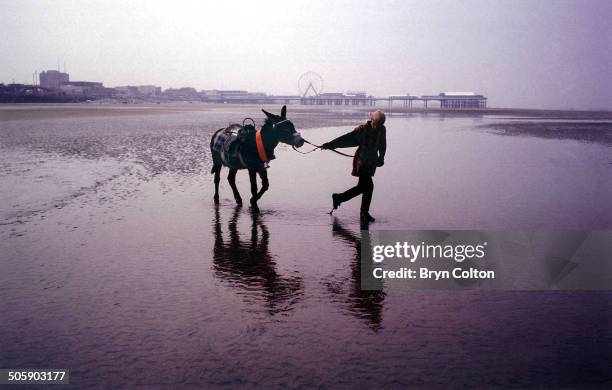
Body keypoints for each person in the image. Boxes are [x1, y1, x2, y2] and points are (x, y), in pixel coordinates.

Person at [322, 110, 387, 223]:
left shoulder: (382, 129)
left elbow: (383, 144)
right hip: (361, 162)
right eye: (376, 124)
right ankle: (363, 213)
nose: (378, 127)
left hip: (372, 163)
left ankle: (340, 198)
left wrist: (381, 157)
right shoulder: (362, 129)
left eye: (380, 124)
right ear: (371, 120)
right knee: (368, 187)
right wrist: (330, 145)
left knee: (363, 187)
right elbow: (346, 139)